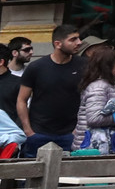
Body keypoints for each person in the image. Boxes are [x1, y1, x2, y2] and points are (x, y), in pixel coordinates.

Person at [16, 25, 84, 155]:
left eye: (78, 38)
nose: (79, 43)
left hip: (71, 134)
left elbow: (87, 99)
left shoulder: (84, 65)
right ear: (58, 44)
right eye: (73, 39)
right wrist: (28, 131)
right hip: (39, 134)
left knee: (68, 174)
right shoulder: (36, 67)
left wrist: (77, 130)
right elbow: (21, 100)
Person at [75, 43, 115, 151]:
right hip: (92, 146)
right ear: (108, 67)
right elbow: (94, 118)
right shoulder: (99, 87)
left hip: (103, 143)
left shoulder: (107, 84)